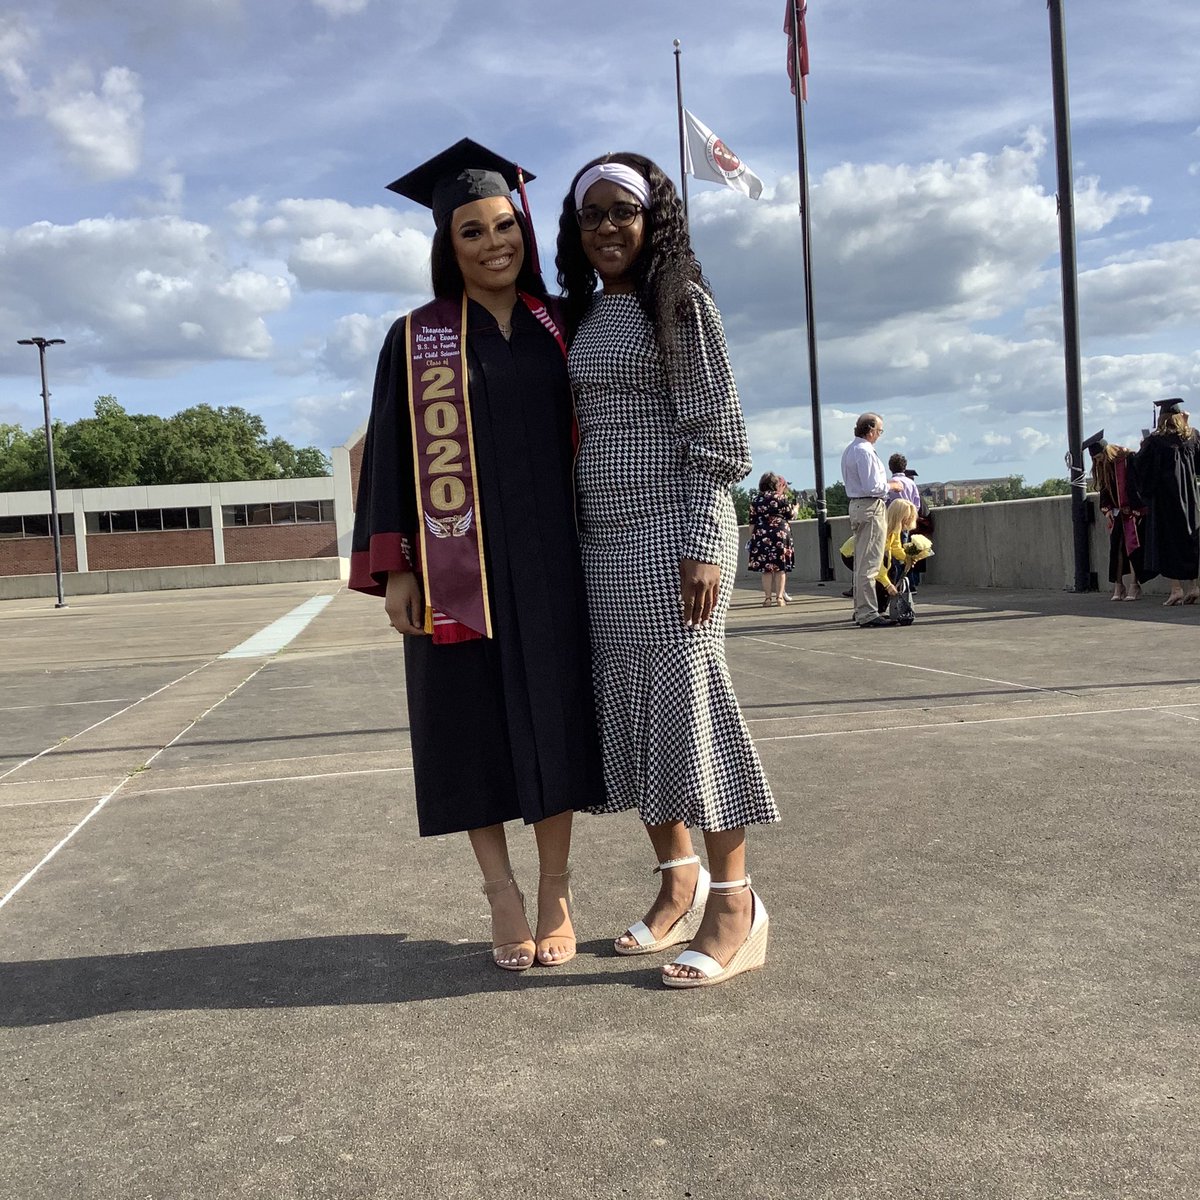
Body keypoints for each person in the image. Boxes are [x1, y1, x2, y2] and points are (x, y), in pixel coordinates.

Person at [349, 138, 604, 972]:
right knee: (470, 726)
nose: (495, 244)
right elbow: (386, 451)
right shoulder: (415, 337)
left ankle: (558, 890)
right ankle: (503, 895)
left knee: (556, 720)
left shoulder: (562, 324)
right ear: (446, 245)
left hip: (557, 562)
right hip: (458, 567)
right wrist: (395, 567)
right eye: (473, 232)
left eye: (505, 226)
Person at [557, 151, 779, 989]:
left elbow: (719, 432)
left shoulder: (676, 301)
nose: (608, 227)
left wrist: (699, 541)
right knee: (638, 710)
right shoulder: (582, 313)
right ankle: (675, 881)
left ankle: (737, 903)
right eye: (592, 216)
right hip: (601, 543)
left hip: (673, 533)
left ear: (655, 217)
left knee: (687, 700)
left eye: (624, 210)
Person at [1133, 398, 1200, 606]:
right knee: (1191, 541)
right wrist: (1187, 425)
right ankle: (1195, 586)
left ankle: (1176, 589)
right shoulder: (1192, 437)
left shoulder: (1154, 442)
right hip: (1190, 499)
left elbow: (1140, 471)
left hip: (1166, 502)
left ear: (1160, 419)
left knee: (1168, 543)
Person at [840, 413, 901, 627]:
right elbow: (872, 486)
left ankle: (861, 609)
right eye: (879, 431)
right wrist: (892, 486)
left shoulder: (850, 450)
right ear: (870, 429)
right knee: (871, 563)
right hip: (870, 506)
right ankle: (867, 613)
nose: (879, 435)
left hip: (856, 506)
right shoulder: (864, 452)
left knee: (861, 563)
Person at [1083, 429, 1155, 601]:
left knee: (1133, 549)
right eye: (1096, 459)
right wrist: (1106, 509)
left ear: (1106, 451)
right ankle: (1118, 585)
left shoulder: (1127, 458)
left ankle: (1134, 585)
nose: (1098, 460)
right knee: (1117, 550)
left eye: (1100, 456)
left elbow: (1137, 484)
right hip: (1117, 514)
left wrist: (1138, 508)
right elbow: (1105, 489)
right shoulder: (1104, 466)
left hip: (1133, 512)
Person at [747, 472, 797, 607]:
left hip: (761, 535)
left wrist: (752, 539)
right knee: (781, 568)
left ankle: (767, 599)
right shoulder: (781, 498)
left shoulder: (756, 500)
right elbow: (791, 515)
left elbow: (752, 522)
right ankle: (780, 598)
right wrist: (795, 509)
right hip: (780, 534)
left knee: (766, 569)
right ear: (775, 484)